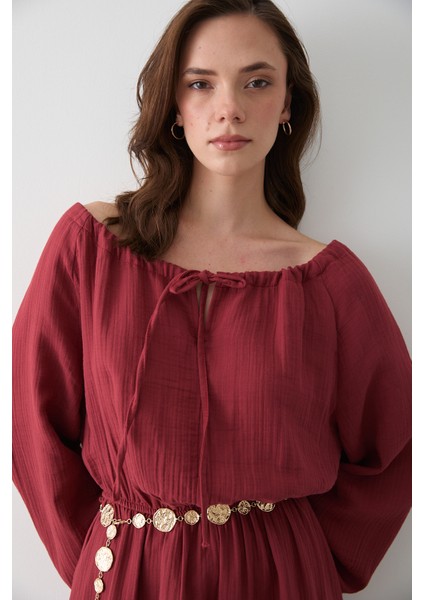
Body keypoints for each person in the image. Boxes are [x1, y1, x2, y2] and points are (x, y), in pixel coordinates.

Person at [12, 0, 411, 598]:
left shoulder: (329, 283)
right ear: (174, 104)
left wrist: (302, 560)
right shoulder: (92, 247)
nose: (230, 109)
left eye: (257, 82)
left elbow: (398, 448)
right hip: (126, 573)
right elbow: (31, 422)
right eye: (201, 84)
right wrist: (102, 557)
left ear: (288, 103)